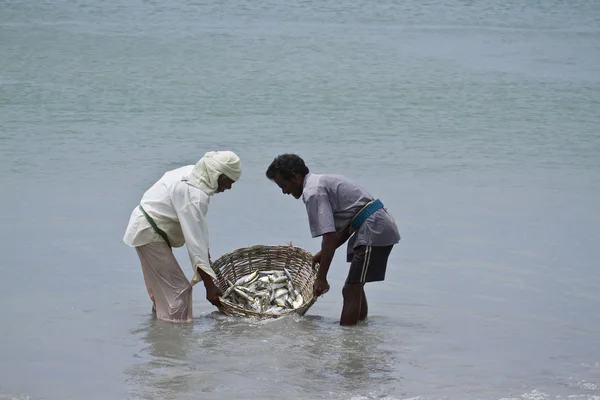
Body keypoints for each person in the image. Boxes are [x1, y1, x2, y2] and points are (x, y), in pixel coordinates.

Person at [265, 154, 400, 326]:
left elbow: (328, 237)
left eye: (283, 185)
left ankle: (348, 339)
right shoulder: (319, 182)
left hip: (373, 229)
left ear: (295, 176)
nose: (284, 192)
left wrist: (321, 277)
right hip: (371, 226)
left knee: (350, 288)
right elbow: (345, 227)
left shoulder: (313, 192)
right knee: (355, 286)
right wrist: (323, 254)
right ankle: (360, 331)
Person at [123, 150, 242, 322]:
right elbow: (195, 245)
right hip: (149, 233)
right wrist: (210, 287)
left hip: (148, 228)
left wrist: (207, 265)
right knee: (179, 291)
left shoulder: (192, 172)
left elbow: (198, 238)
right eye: (229, 181)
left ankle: (159, 334)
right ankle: (174, 340)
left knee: (164, 294)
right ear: (217, 175)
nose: (229, 187)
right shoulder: (195, 195)